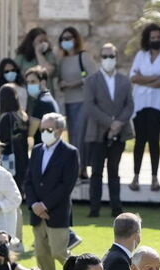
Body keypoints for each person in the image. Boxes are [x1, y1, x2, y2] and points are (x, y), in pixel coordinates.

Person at [26, 113, 79, 270]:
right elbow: (29, 181)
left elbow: (66, 185)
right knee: (42, 256)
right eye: (42, 129)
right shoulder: (37, 150)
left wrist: (45, 205)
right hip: (37, 214)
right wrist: (34, 204)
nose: (44, 133)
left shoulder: (70, 152)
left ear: (59, 130)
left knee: (59, 252)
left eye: (48, 129)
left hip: (56, 213)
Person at [83, 42, 133, 218]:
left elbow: (129, 105)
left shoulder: (124, 80)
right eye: (105, 56)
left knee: (114, 171)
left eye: (111, 56)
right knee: (96, 171)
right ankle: (94, 208)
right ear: (100, 59)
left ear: (116, 58)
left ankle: (116, 207)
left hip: (119, 133)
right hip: (98, 132)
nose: (108, 59)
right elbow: (90, 106)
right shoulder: (91, 81)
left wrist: (118, 123)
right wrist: (110, 123)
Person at [129, 24, 160, 193]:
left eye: (158, 37)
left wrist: (143, 80)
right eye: (152, 38)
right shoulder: (141, 55)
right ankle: (135, 176)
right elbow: (133, 77)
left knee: (154, 139)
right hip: (140, 104)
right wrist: (153, 78)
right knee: (140, 140)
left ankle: (154, 177)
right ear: (147, 39)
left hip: (157, 104)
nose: (155, 40)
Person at [57, 27, 96, 179]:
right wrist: (62, 84)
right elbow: (58, 79)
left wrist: (76, 83)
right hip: (68, 101)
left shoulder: (83, 57)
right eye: (63, 39)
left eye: (69, 38)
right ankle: (77, 166)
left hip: (82, 101)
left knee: (81, 135)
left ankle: (82, 168)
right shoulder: (62, 60)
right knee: (73, 136)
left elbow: (93, 77)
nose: (66, 41)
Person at [0, 85, 29, 250]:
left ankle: (15, 240)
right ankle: (16, 239)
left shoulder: (5, 118)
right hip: (23, 162)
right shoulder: (22, 116)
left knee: (12, 204)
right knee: (17, 202)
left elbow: (1, 143)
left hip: (10, 164)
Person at [14, 28, 57, 97]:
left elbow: (48, 71)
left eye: (45, 41)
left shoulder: (49, 55)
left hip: (45, 95)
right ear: (32, 42)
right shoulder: (21, 57)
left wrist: (39, 53)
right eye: (40, 41)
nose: (43, 43)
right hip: (27, 95)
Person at [25, 66, 60, 146]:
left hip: (44, 147)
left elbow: (31, 131)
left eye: (33, 82)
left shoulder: (41, 102)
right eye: (28, 82)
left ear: (43, 82)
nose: (29, 85)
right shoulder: (49, 98)